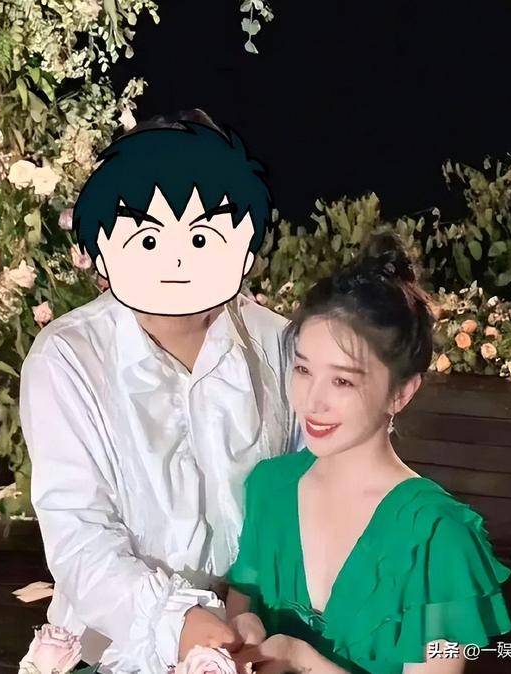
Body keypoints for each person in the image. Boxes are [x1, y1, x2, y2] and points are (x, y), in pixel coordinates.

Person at [19, 110, 301, 673]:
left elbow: (303, 486)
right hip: (117, 650)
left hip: (259, 641)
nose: (176, 260)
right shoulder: (70, 357)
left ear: (243, 247)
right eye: (148, 238)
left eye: (200, 237)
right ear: (104, 249)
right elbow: (78, 532)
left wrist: (246, 606)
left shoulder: (279, 345)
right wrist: (178, 622)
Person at [226, 233, 511, 673]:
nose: (312, 401)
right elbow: (241, 612)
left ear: (401, 393)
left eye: (342, 381)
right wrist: (244, 630)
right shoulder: (269, 487)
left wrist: (301, 659)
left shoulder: (438, 538)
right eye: (303, 369)